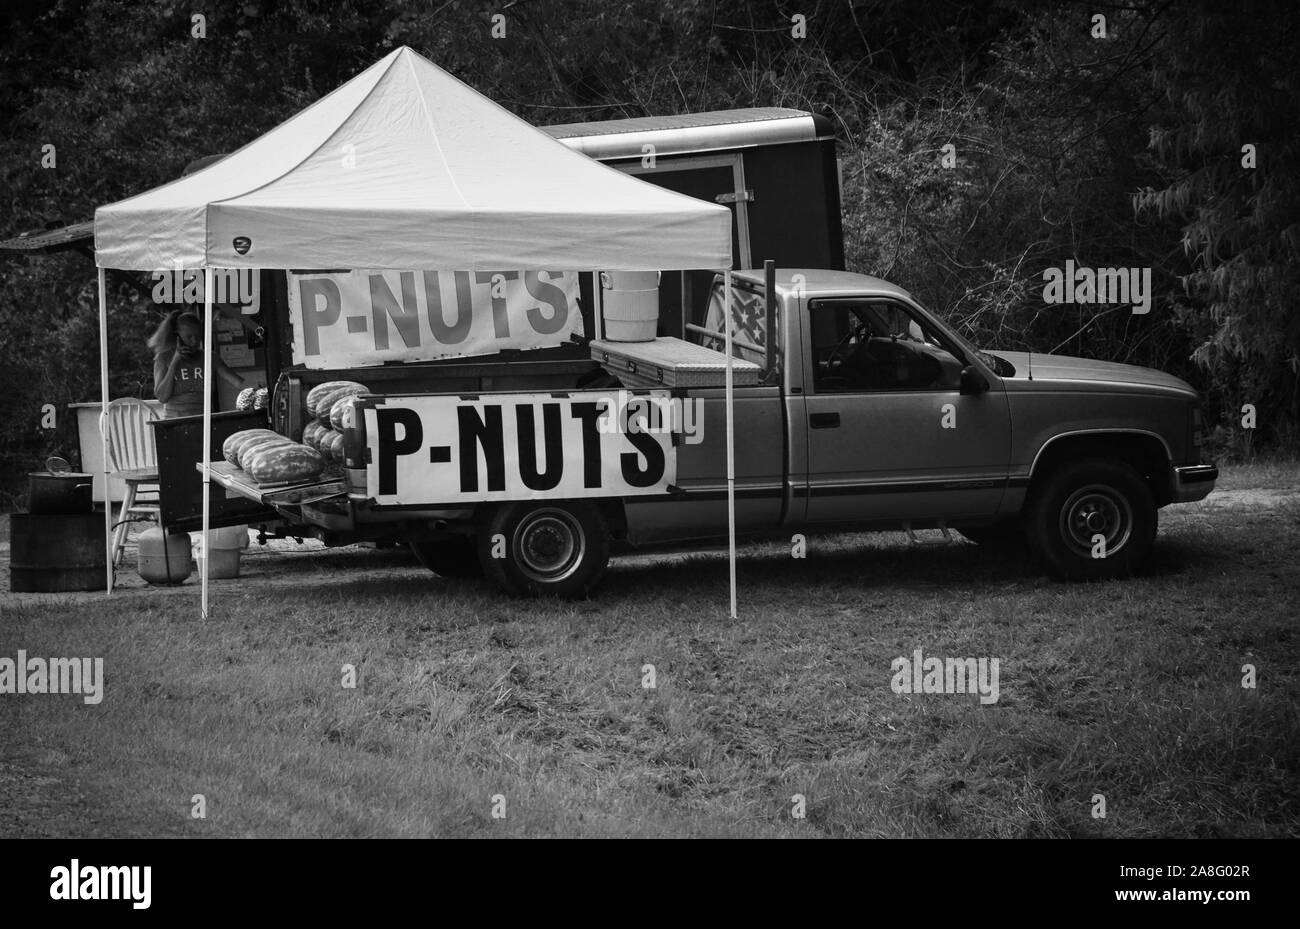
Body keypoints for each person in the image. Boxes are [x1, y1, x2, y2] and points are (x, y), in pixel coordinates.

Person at [149, 310, 242, 419]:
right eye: (189, 337)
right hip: (175, 422)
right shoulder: (163, 358)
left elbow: (237, 382)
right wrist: (174, 363)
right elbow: (162, 397)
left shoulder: (209, 357)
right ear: (177, 336)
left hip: (204, 422)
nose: (194, 342)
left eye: (198, 337)